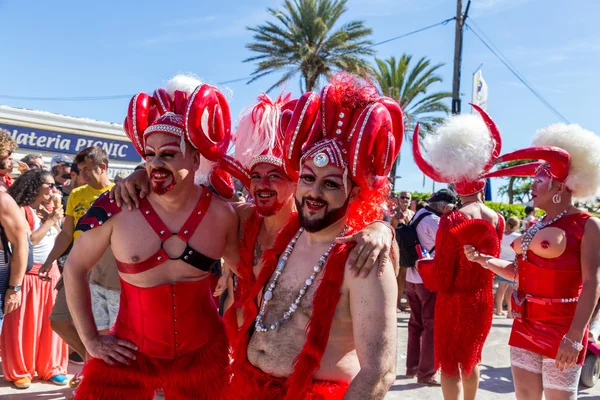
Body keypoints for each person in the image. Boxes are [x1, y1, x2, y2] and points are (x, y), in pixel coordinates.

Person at [225, 74, 402, 399]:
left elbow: (379, 372)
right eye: (308, 177)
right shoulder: (286, 237)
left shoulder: (363, 259)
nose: (314, 192)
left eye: (331, 183)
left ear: (355, 193)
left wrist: (381, 228)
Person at [64, 75, 240, 399]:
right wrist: (91, 341)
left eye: (169, 155)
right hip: (127, 356)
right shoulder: (116, 206)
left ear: (195, 158)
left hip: (205, 358)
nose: (156, 164)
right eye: (149, 154)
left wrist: (240, 340)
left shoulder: (222, 214)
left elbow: (253, 278)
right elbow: (74, 267)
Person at [465, 123, 600, 399]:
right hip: (524, 323)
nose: (531, 186)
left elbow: (592, 284)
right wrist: (484, 260)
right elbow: (519, 273)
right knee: (525, 397)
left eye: (539, 180)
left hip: (563, 327)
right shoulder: (537, 224)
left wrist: (575, 335)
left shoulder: (588, 225)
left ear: (560, 186)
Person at [413, 106, 505, 400]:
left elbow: (442, 271)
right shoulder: (498, 218)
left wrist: (423, 265)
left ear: (456, 183)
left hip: (454, 299)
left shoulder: (452, 219)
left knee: (450, 363)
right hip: (483, 297)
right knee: (472, 357)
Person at [41, 146, 116, 384]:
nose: (82, 175)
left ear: (102, 167)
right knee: (59, 320)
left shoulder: (119, 192)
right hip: (77, 267)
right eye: (80, 170)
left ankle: (97, 375)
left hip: (107, 270)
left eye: (87, 170)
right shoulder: (76, 195)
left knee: (104, 328)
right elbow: (66, 234)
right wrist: (50, 259)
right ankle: (91, 362)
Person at [2, 170, 68, 388]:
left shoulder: (49, 210)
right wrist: (50, 221)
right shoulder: (21, 209)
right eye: (49, 185)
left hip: (51, 274)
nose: (53, 189)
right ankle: (21, 370)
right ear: (35, 186)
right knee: (23, 324)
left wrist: (57, 219)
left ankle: (52, 367)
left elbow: (60, 241)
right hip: (29, 274)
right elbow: (28, 240)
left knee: (50, 324)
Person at [405, 188, 457, 386]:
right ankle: (426, 373)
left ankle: (412, 367)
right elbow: (450, 247)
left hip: (412, 278)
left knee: (415, 324)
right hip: (429, 280)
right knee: (431, 326)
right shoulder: (435, 221)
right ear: (445, 207)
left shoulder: (418, 214)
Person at [0, 129, 29, 331]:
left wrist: (14, 288)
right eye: (8, 154)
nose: (12, 159)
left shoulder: (3, 198)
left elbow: (21, 242)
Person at [495, 216, 520, 317]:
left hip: (501, 262)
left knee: (501, 288)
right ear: (515, 226)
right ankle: (510, 312)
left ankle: (499, 310)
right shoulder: (517, 236)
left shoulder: (501, 235)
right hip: (513, 263)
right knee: (512, 290)